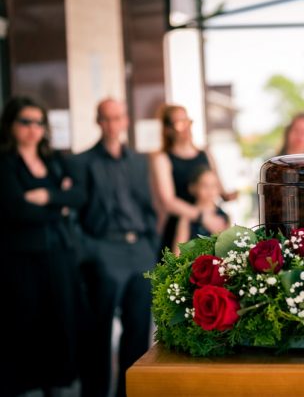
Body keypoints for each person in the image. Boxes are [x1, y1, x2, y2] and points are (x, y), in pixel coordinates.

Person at [0, 96, 84, 396]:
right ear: (11, 125)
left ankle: (56, 385)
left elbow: (78, 196)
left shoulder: (53, 160)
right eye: (26, 121)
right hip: (21, 258)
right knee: (26, 324)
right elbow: (15, 209)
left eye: (38, 122)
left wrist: (46, 197)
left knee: (60, 322)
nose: (33, 128)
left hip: (58, 253)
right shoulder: (5, 163)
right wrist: (58, 202)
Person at [74, 98, 158, 397]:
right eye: (107, 118)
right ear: (99, 122)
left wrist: (151, 248)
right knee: (97, 334)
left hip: (138, 252)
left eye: (118, 117)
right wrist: (89, 250)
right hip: (102, 250)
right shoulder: (81, 161)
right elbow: (74, 213)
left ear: (126, 121)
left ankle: (129, 393)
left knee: (138, 335)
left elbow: (147, 207)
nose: (113, 124)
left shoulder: (138, 161)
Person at [150, 104, 232, 255]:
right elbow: (168, 201)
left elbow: (219, 189)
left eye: (188, 121)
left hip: (212, 219)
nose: (186, 127)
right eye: (180, 124)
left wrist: (228, 196)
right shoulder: (162, 158)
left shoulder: (205, 153)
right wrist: (203, 217)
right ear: (168, 130)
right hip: (182, 225)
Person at [173, 166, 230, 254]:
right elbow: (177, 252)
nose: (210, 190)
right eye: (205, 185)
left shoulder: (224, 217)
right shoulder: (187, 217)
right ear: (192, 188)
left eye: (214, 186)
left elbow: (227, 248)